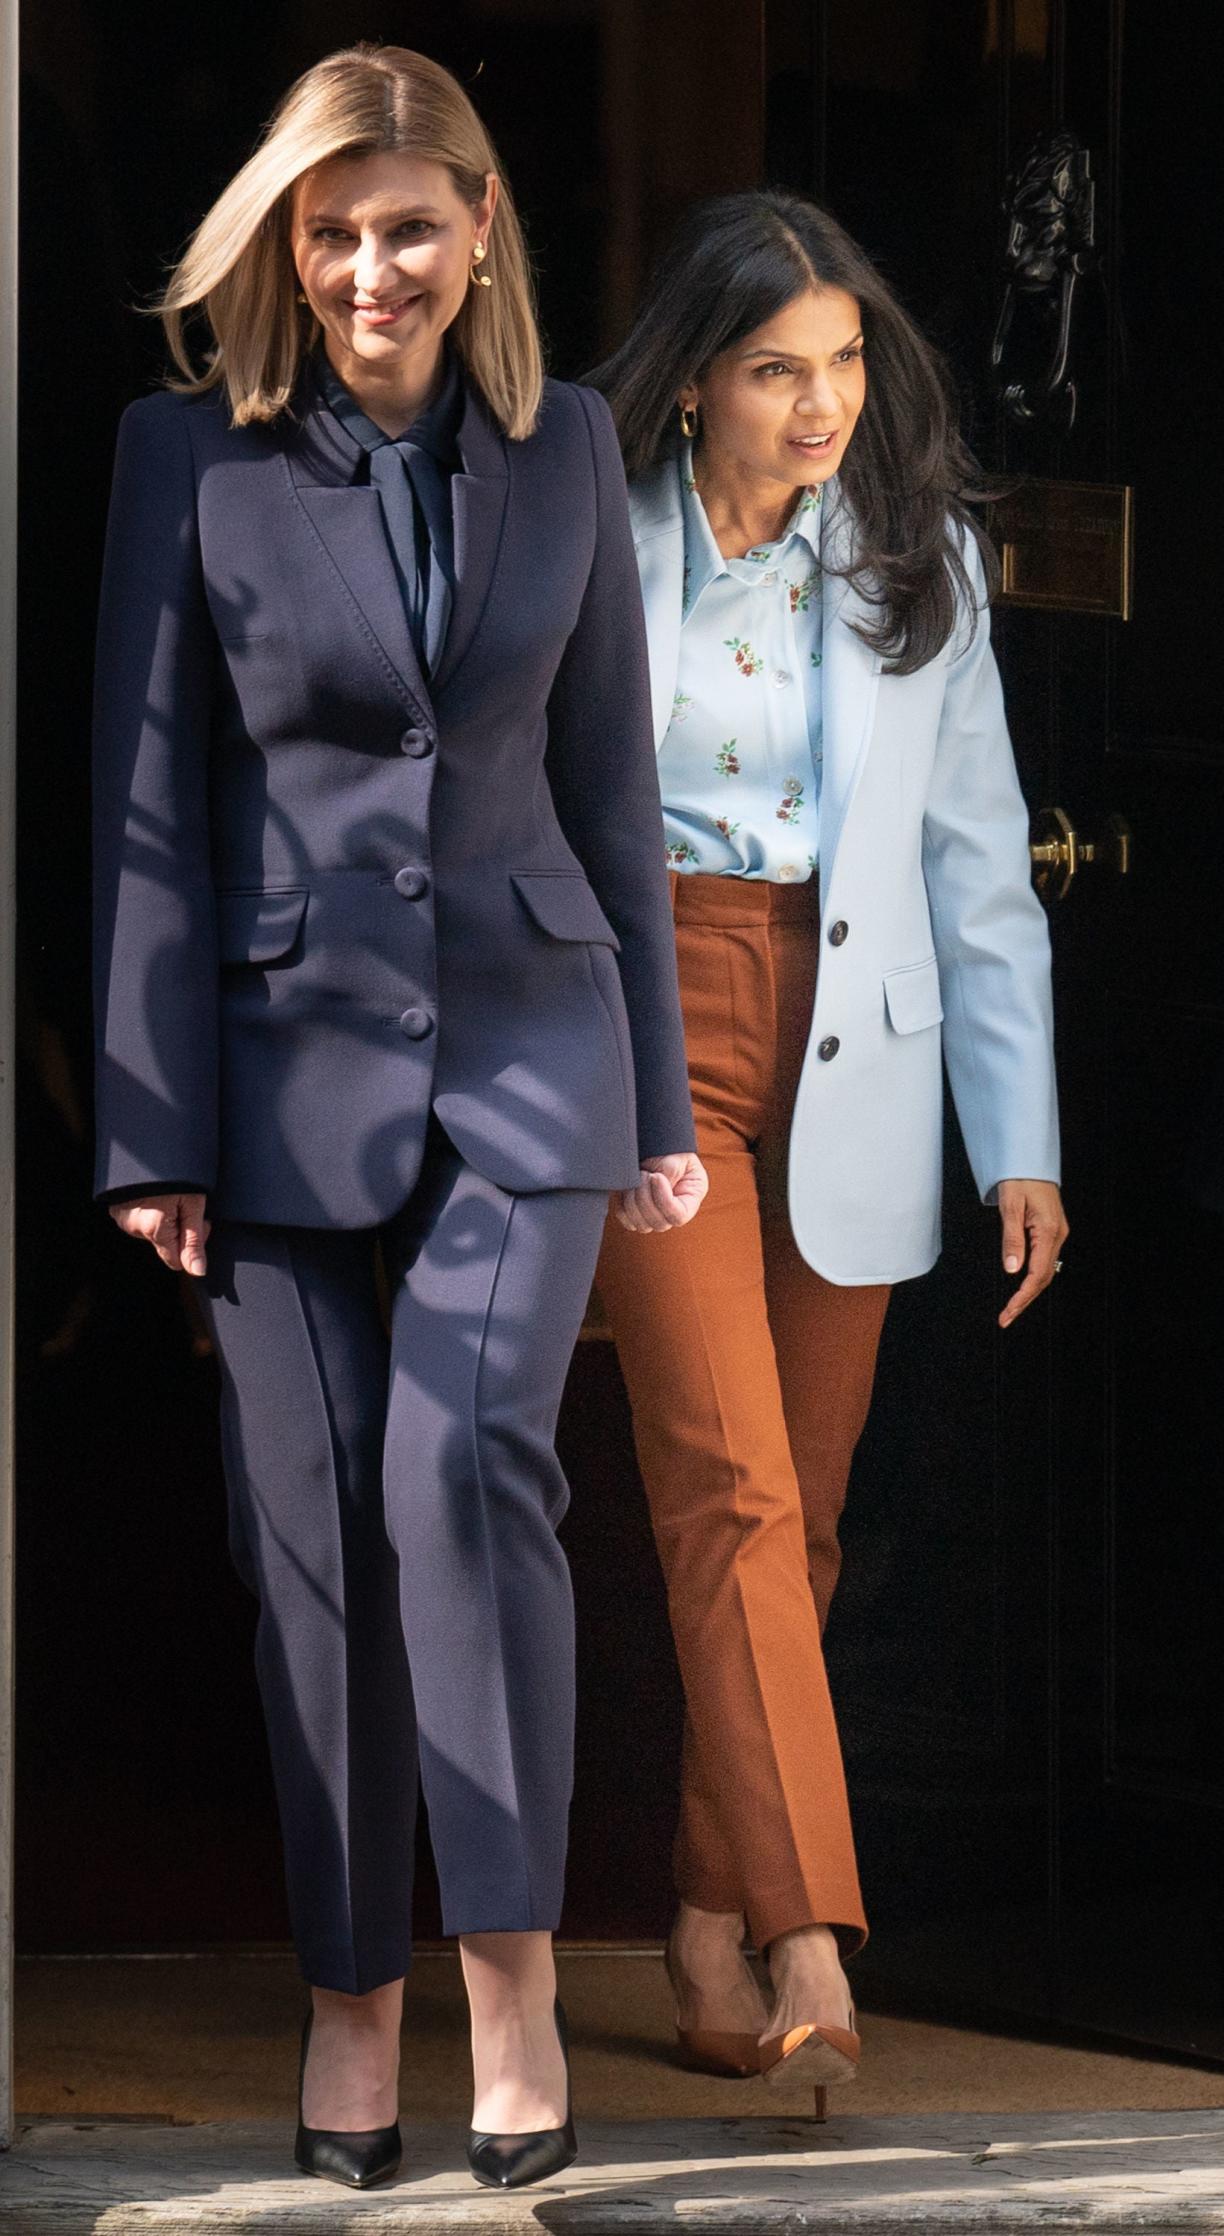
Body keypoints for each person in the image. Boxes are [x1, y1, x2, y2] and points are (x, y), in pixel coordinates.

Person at [93, 43, 705, 2191]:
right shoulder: (188, 460)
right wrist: (146, 1122)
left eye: (409, 223)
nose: (373, 267)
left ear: (478, 229)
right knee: (314, 1548)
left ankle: (513, 1971)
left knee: (463, 1463)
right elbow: (149, 805)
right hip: (267, 1067)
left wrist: (652, 1092)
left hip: (537, 1043)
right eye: (333, 230)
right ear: (288, 243)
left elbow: (614, 778)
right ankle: (356, 1991)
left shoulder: (575, 452)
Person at [590, 190, 1068, 2114]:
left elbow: (979, 864)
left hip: (859, 1048)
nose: (821, 404)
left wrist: (1018, 1140)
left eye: (846, 363)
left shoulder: (913, 552)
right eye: (777, 368)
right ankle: (805, 1931)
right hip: (651, 1036)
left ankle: (707, 1915)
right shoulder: (584, 528)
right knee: (728, 1489)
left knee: (803, 1502)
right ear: (694, 376)